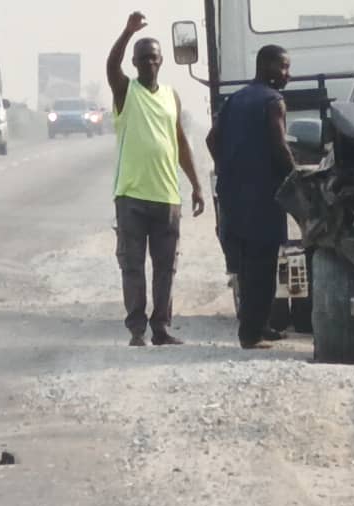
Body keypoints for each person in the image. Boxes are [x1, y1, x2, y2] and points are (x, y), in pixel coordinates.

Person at [106, 11, 205, 347]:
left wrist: (196, 185)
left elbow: (180, 142)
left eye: (154, 57)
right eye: (143, 58)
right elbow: (110, 66)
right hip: (131, 196)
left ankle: (161, 328)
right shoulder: (125, 91)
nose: (149, 62)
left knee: (166, 269)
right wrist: (126, 31)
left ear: (162, 61)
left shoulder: (171, 96)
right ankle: (137, 330)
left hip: (167, 197)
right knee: (132, 267)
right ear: (134, 63)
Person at [206, 45, 295, 349]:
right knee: (263, 267)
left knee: (246, 266)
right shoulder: (274, 101)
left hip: (234, 195)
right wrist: (296, 178)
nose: (288, 74)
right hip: (262, 196)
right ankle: (250, 334)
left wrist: (227, 167)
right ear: (267, 66)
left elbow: (211, 139)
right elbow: (280, 147)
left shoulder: (236, 99)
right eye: (283, 67)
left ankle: (260, 324)